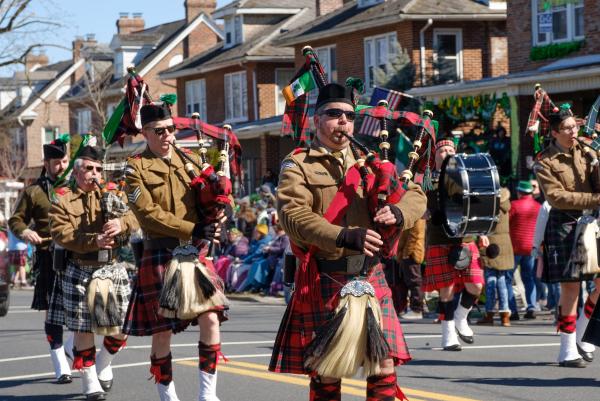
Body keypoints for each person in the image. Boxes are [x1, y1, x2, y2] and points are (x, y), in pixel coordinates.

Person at [269, 82, 427, 400]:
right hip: (325, 274)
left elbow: (417, 196)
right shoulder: (297, 164)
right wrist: (342, 235)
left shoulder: (369, 163)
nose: (343, 121)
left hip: (370, 275)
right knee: (328, 371)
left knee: (383, 365)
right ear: (317, 119)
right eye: (334, 113)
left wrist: (398, 212)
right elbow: (293, 217)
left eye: (349, 116)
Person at [123, 102, 228, 401]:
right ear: (145, 133)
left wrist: (217, 216)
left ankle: (208, 394)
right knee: (163, 331)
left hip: (194, 253)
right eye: (160, 131)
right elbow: (148, 213)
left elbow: (207, 201)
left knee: (210, 317)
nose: (168, 135)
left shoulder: (192, 160)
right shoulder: (134, 168)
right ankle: (167, 394)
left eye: (171, 129)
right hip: (160, 253)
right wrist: (191, 229)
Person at [49, 145, 138, 400]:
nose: (95, 173)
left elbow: (135, 217)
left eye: (99, 169)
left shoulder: (111, 194)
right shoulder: (63, 198)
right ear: (77, 171)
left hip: (110, 268)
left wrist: (121, 222)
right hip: (79, 266)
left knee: (122, 326)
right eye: (89, 168)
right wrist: (93, 240)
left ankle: (104, 362)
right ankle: (89, 381)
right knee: (84, 329)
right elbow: (60, 232)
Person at [533, 104, 600, 368]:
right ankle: (567, 349)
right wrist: (595, 199)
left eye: (575, 126)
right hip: (564, 224)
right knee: (571, 288)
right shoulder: (544, 161)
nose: (573, 132)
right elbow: (556, 196)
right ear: (554, 132)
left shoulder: (588, 151)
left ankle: (584, 334)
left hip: (592, 223)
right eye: (567, 128)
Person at [8, 137, 73, 384]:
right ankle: (59, 362)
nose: (62, 166)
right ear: (46, 163)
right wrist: (25, 231)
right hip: (47, 256)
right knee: (53, 313)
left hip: (76, 255)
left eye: (65, 161)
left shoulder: (76, 187)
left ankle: (71, 347)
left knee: (81, 310)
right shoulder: (33, 191)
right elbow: (16, 220)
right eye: (57, 162)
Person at [422, 138, 485, 351]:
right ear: (435, 156)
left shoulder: (465, 176)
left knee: (476, 284)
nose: (446, 152)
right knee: (446, 289)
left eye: (450, 149)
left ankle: (461, 316)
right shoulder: (426, 179)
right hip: (439, 238)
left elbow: (480, 204)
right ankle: (448, 333)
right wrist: (424, 212)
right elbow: (417, 202)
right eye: (442, 150)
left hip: (466, 237)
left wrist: (483, 232)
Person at [477, 188, 513, 327]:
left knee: (491, 279)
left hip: (491, 243)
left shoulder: (489, 204)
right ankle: (505, 316)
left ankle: (490, 313)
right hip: (505, 243)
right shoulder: (506, 203)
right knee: (502, 280)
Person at [509, 180, 542, 319]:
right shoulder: (538, 207)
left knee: (508, 279)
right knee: (529, 278)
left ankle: (513, 311)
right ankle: (531, 306)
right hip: (531, 248)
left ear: (519, 192)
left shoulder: (514, 205)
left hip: (515, 247)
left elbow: (507, 224)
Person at [390, 218, 426, 319]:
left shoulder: (418, 217)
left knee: (414, 282)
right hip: (408, 253)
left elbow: (414, 236)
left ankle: (417, 310)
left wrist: (406, 253)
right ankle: (413, 309)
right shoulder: (416, 215)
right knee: (409, 281)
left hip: (412, 254)